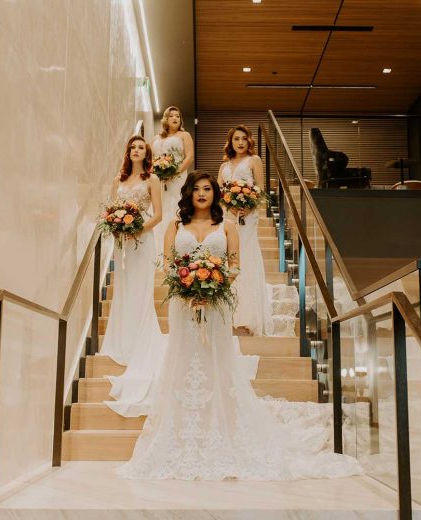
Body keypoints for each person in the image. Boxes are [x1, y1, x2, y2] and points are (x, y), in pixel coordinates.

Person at [117, 171, 362, 480]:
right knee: (182, 362)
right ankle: (181, 435)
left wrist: (213, 287)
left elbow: (235, 267)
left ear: (215, 194)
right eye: (197, 189)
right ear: (189, 194)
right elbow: (168, 265)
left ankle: (222, 432)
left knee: (216, 363)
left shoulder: (228, 227)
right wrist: (189, 288)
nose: (202, 194)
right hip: (183, 305)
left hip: (217, 305)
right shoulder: (174, 226)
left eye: (208, 188)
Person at [99, 136, 167, 417]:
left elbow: (159, 215)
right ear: (128, 152)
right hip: (122, 243)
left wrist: (138, 229)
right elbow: (112, 211)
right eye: (132, 147)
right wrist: (116, 226)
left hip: (142, 240)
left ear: (146, 153)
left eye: (141, 147)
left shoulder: (152, 180)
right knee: (124, 289)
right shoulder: (119, 180)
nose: (136, 150)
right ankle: (122, 337)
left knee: (140, 288)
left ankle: (140, 338)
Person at [218, 125, 273, 336]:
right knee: (228, 257)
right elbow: (219, 192)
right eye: (235, 139)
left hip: (248, 217)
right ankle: (228, 313)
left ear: (249, 141)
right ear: (230, 142)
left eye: (243, 139)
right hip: (227, 216)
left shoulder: (254, 160)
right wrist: (228, 206)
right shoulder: (224, 165)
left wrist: (247, 207)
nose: (240, 142)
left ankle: (248, 315)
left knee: (246, 257)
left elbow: (260, 189)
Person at [152, 106, 194, 257]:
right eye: (171, 116)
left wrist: (174, 172)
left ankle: (176, 250)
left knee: (175, 206)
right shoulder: (156, 138)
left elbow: (189, 157)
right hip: (159, 179)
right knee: (159, 208)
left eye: (178, 116)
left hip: (177, 178)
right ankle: (158, 251)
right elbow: (151, 159)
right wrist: (157, 171)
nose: (175, 118)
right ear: (166, 119)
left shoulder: (184, 135)